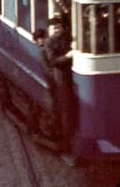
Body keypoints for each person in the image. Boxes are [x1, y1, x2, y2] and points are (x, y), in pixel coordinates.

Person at [43, 17, 75, 151]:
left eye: (59, 27)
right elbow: (53, 61)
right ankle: (65, 139)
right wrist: (68, 56)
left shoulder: (67, 37)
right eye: (55, 28)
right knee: (65, 108)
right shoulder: (49, 42)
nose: (57, 30)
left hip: (71, 75)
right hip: (60, 78)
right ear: (51, 30)